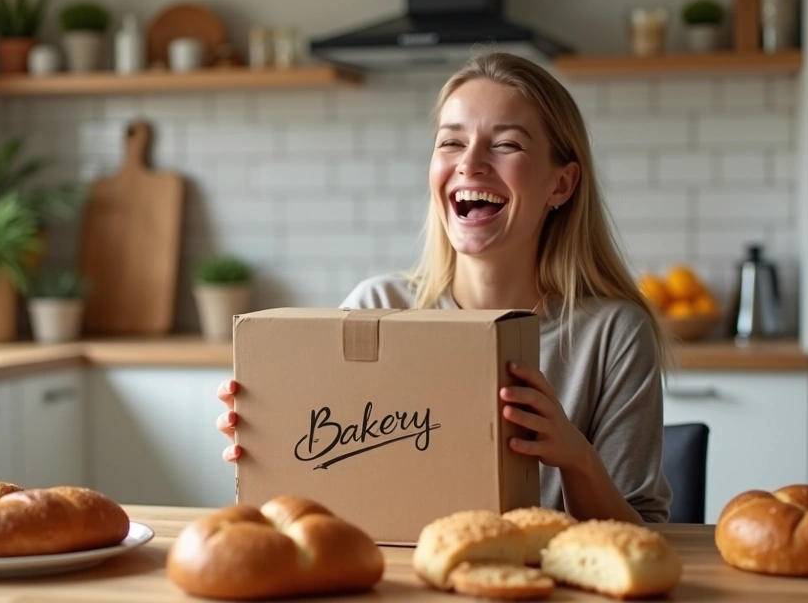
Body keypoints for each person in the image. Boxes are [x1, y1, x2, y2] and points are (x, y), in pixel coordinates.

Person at [214, 51, 674, 524]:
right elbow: (321, 506)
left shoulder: (614, 334)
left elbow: (643, 538)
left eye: (507, 145)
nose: (470, 164)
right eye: (451, 142)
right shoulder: (376, 309)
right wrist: (273, 448)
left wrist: (577, 458)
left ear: (561, 183)